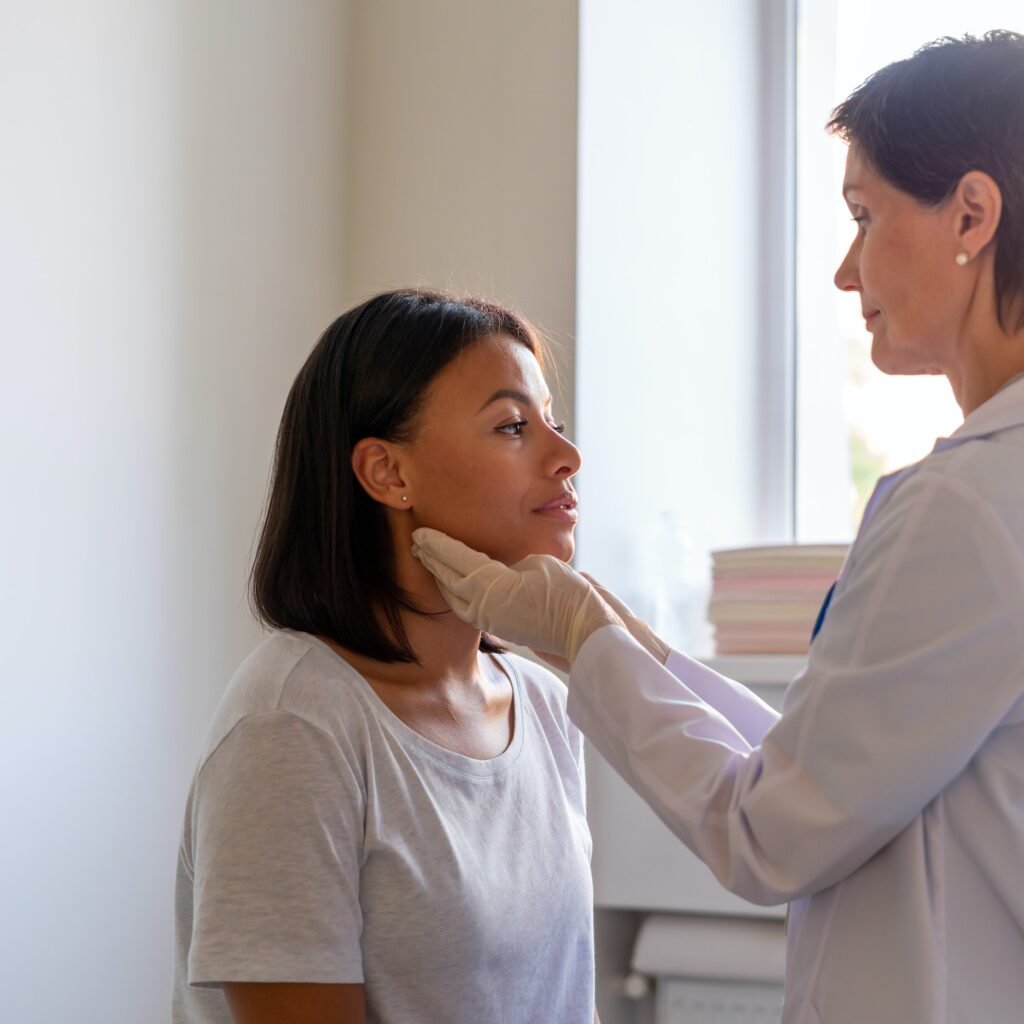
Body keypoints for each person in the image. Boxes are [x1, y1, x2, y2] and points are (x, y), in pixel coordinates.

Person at [412, 31, 1024, 1024]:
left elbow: (771, 828)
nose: (842, 271)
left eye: (863, 217)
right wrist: (620, 637)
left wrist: (583, 638)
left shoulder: (964, 504)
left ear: (970, 214)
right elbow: (821, 764)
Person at [172, 289, 597, 1024]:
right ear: (386, 474)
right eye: (512, 426)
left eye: (552, 422)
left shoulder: (547, 707)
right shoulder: (294, 727)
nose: (567, 456)